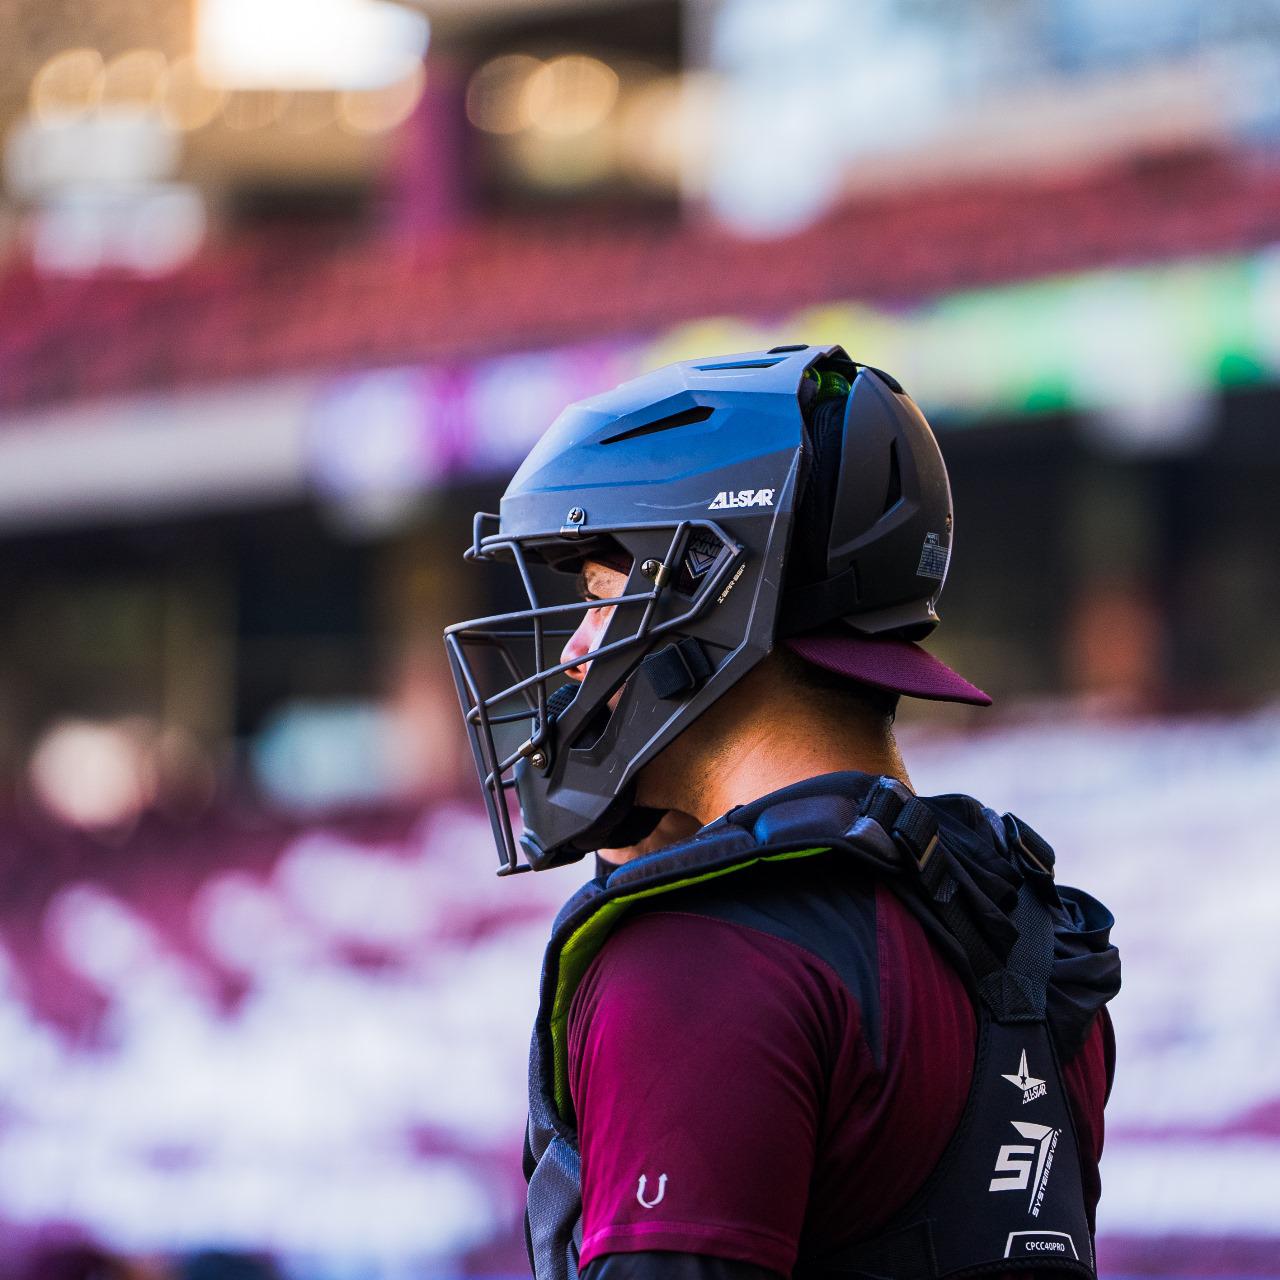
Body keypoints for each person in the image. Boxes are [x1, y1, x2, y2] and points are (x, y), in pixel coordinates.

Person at [444, 346, 1120, 1280]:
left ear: (714, 594)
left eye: (600, 598)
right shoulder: (1028, 932)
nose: (570, 654)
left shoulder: (703, 959)